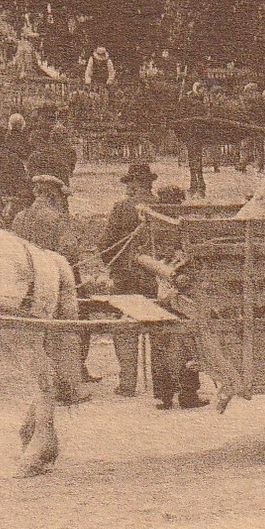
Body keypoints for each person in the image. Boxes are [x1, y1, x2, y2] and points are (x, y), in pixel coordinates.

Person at [100, 163, 205, 410]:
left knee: (124, 329)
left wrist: (115, 268)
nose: (127, 189)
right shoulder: (163, 208)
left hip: (127, 278)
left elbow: (105, 244)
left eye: (128, 184)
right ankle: (172, 391)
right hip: (160, 278)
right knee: (165, 335)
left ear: (134, 184)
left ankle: (128, 384)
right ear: (149, 184)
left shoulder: (121, 208)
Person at [11, 174, 94, 399]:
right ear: (52, 195)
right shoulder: (57, 218)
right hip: (56, 281)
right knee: (71, 328)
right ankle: (70, 381)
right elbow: (69, 251)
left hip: (28, 285)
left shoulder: (20, 217)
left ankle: (48, 381)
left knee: (39, 335)